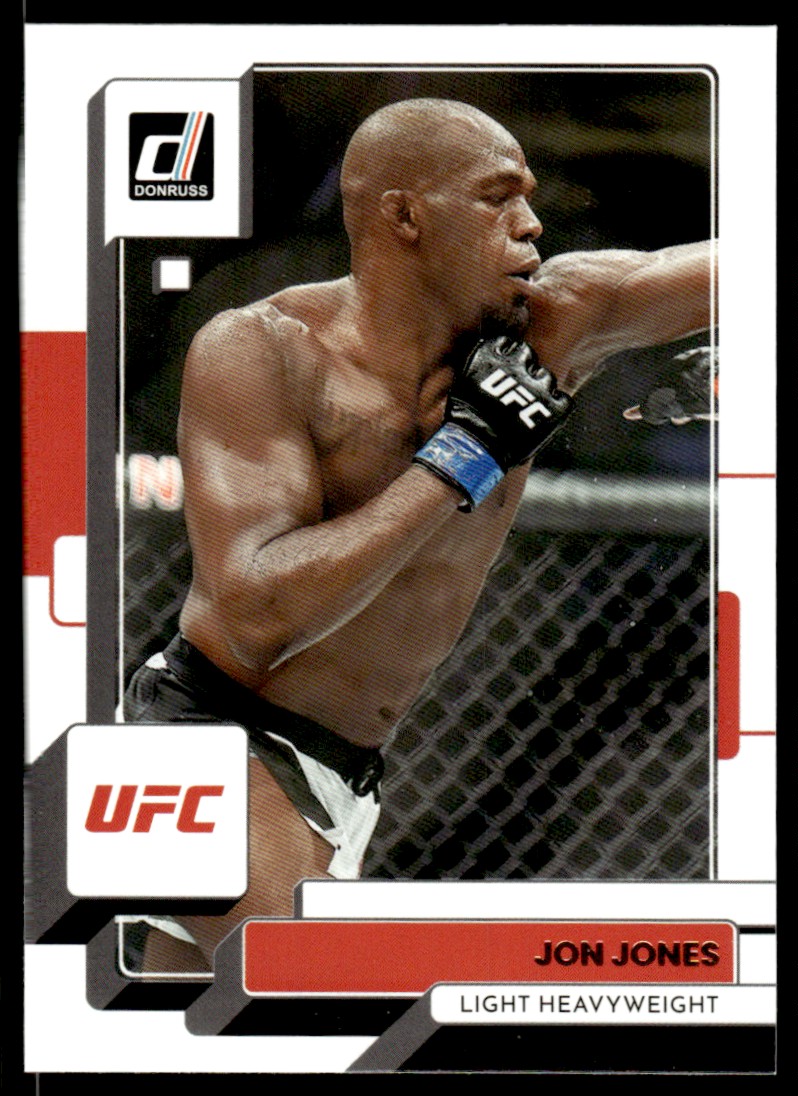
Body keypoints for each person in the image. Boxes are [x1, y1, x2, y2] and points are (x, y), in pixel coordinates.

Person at [125, 98, 715, 972]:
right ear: (404, 215)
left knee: (181, 1025)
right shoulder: (264, 351)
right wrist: (464, 455)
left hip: (349, 770)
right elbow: (256, 615)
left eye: (529, 196)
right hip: (213, 740)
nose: (532, 222)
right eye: (497, 197)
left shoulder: (557, 324)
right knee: (313, 995)